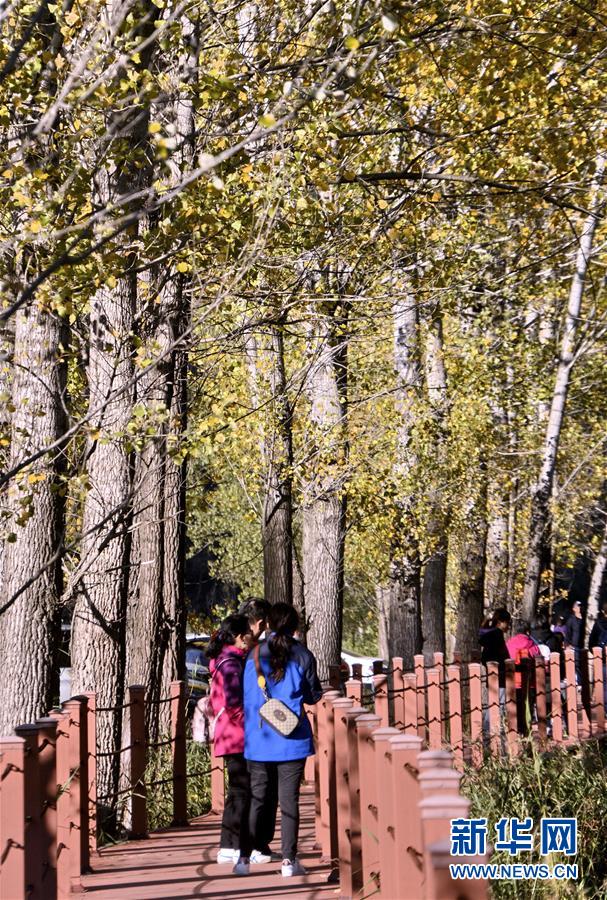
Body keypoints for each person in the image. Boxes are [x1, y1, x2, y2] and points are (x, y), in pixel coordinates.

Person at [242, 602, 322, 878]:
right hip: (291, 739)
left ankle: (247, 856)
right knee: (289, 801)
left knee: (257, 797)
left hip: (259, 738)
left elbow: (246, 695)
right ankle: (288, 860)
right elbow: (313, 696)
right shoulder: (303, 655)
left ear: (269, 624)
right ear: (294, 626)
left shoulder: (253, 655)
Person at [206, 615, 254, 867]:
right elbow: (235, 703)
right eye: (247, 632)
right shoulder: (232, 664)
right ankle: (234, 846)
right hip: (237, 735)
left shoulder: (222, 660)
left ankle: (228, 845)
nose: (250, 637)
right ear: (238, 636)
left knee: (237, 791)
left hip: (227, 734)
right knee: (242, 791)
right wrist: (255, 723)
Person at [238, 596, 279, 862]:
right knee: (264, 788)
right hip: (261, 728)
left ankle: (245, 844)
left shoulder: (233, 648)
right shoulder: (261, 651)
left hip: (243, 728)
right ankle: (257, 844)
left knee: (249, 787)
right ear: (262, 623)